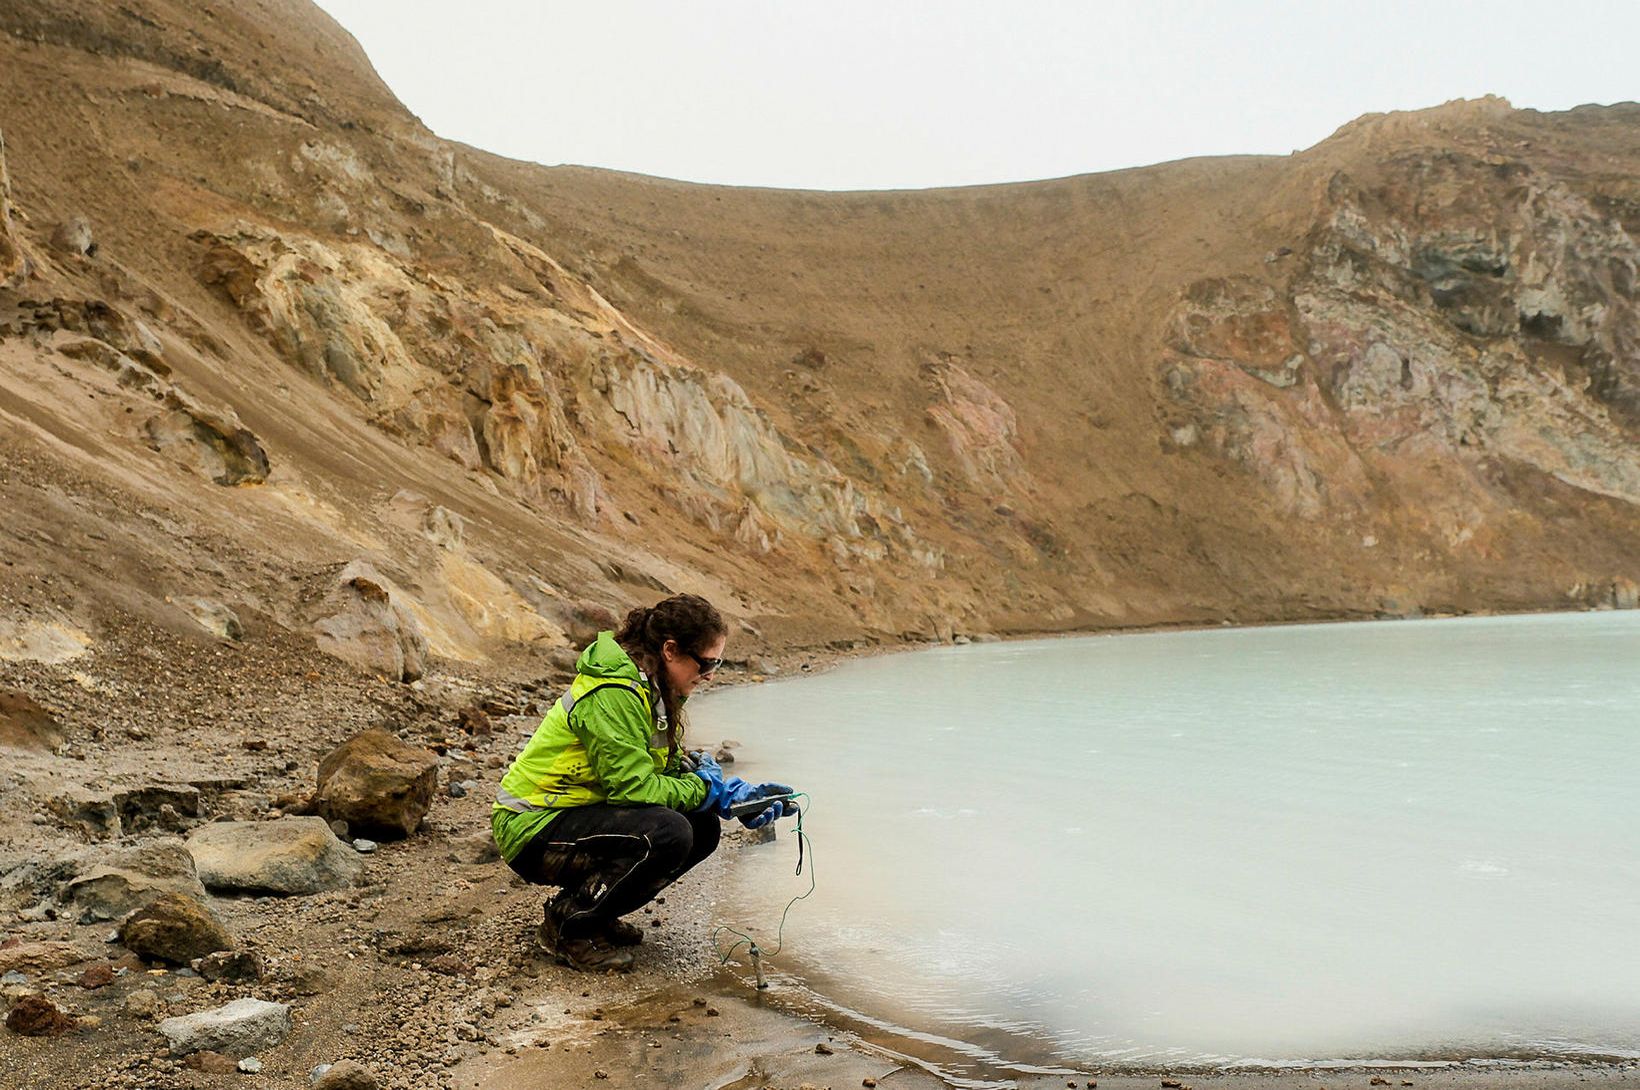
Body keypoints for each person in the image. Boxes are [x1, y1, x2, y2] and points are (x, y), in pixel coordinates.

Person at [492, 593, 795, 971]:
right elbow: (633, 789)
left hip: (575, 814)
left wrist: (730, 795)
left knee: (702, 828)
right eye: (707, 662)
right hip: (532, 826)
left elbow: (660, 771)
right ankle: (568, 926)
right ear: (671, 650)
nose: (712, 674)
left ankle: (593, 914)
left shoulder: (653, 690)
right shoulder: (616, 693)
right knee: (669, 834)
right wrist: (707, 791)